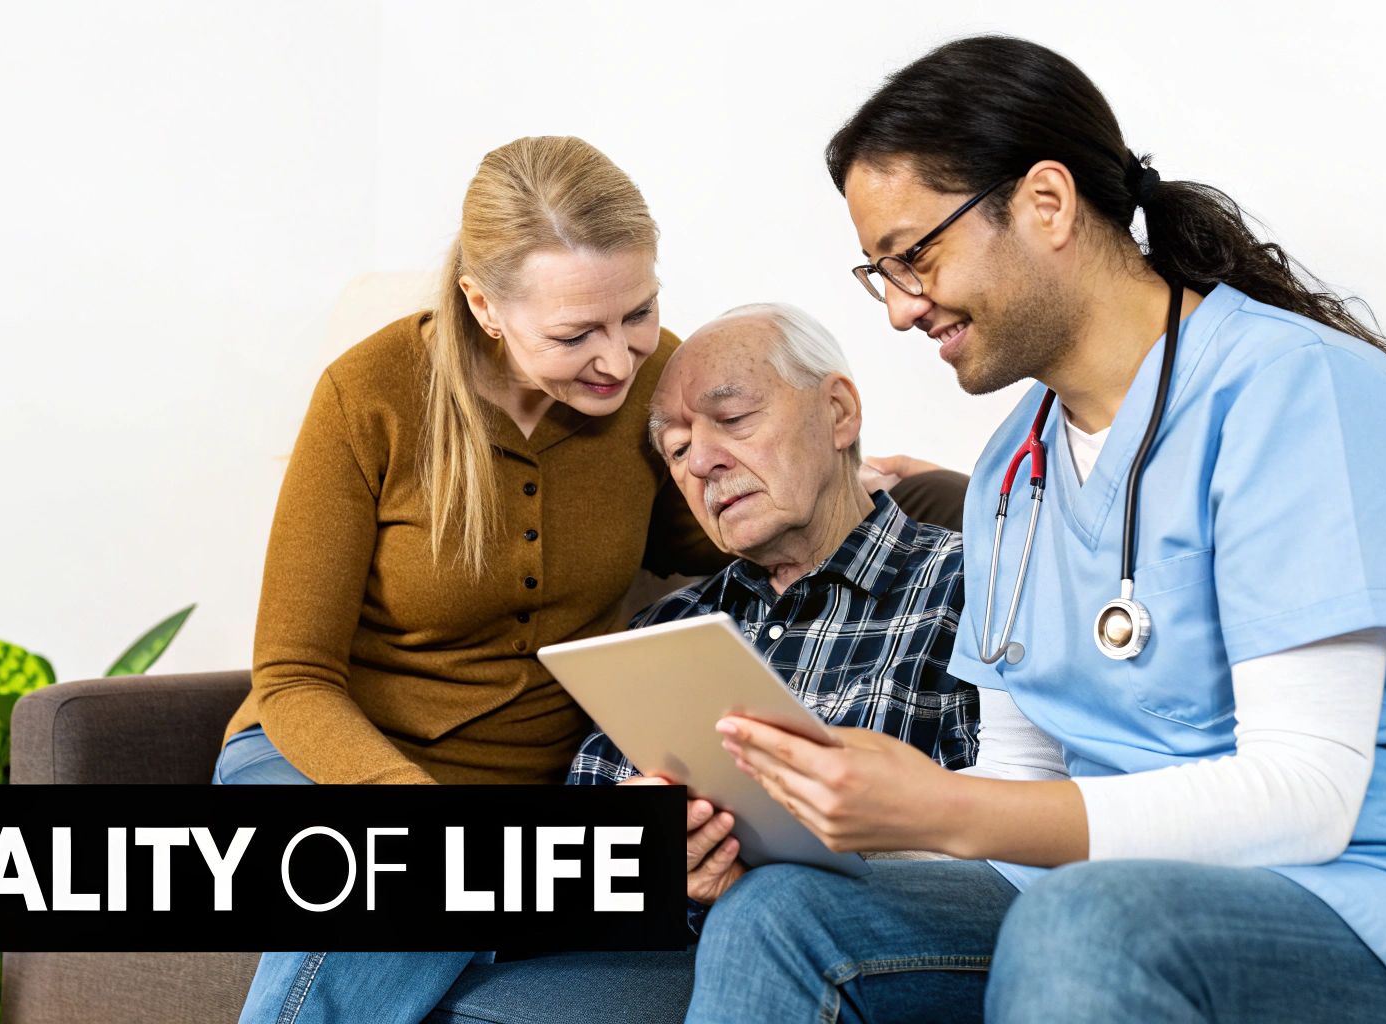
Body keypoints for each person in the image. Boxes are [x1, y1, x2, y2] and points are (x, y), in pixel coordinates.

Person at [691, 36, 1386, 1024]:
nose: (901, 307)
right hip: (1100, 892)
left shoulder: (1297, 393)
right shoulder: (1008, 472)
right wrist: (818, 808)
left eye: (916, 255)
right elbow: (1015, 778)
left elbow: (1307, 793)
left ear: (1045, 203)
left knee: (1084, 921)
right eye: (879, 272)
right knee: (784, 913)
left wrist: (943, 809)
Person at [300, 303, 983, 1024]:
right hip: (670, 940)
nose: (703, 461)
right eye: (677, 448)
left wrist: (779, 869)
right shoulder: (667, 630)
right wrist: (635, 858)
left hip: (867, 933)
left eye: (735, 419)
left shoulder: (969, 585)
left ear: (839, 412)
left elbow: (1003, 832)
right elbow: (582, 853)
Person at [220, 135, 735, 1023]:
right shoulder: (369, 396)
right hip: (323, 764)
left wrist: (819, 474)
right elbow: (293, 679)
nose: (619, 358)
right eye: (575, 334)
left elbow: (712, 539)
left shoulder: (653, 382)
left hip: (530, 802)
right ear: (484, 306)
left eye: (639, 312)